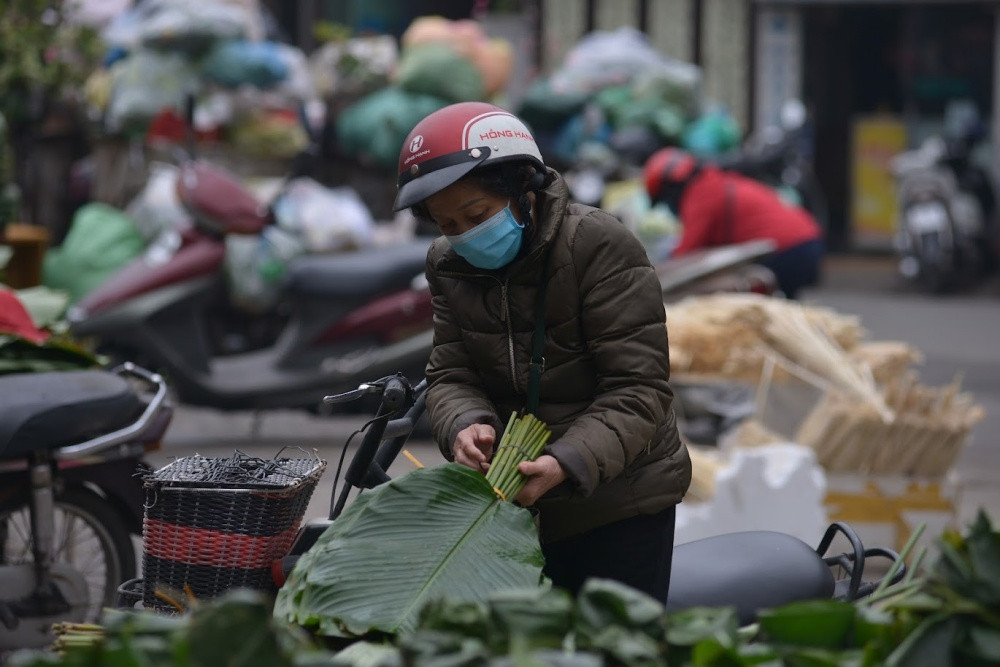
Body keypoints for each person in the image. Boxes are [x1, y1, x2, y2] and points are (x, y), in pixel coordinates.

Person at [393, 101, 691, 601]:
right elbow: (450, 373)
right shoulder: (447, 264)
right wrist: (464, 425)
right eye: (447, 225)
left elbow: (638, 390)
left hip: (621, 505)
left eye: (477, 215)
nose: (464, 235)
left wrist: (566, 462)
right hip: (518, 511)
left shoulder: (596, 244)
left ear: (521, 190)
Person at [643, 147, 825, 299]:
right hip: (806, 241)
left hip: (789, 248)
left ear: (671, 189)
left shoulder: (702, 195)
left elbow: (685, 256)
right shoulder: (714, 182)